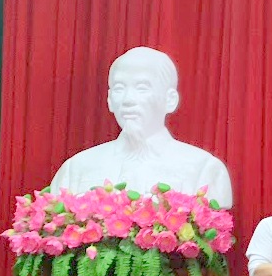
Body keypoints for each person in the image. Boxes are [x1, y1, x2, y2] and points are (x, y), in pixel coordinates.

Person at [50, 46, 233, 205]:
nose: (128, 100)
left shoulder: (204, 170)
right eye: (119, 88)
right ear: (109, 100)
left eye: (142, 88)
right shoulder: (76, 169)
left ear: (170, 100)